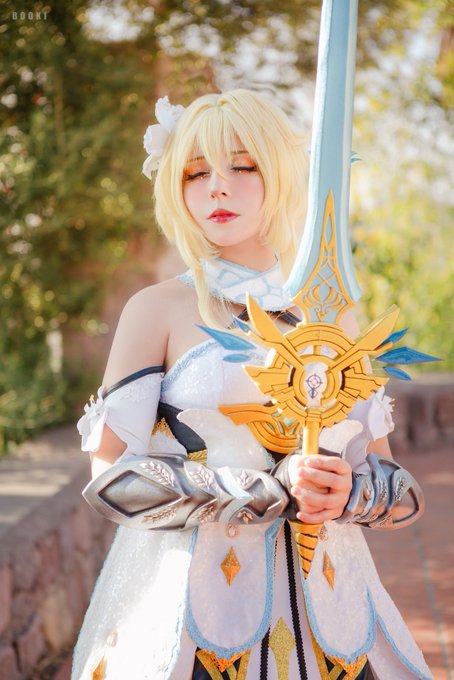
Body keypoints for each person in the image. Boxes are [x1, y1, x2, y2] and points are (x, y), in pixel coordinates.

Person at [72, 90, 431, 680]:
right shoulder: (156, 310)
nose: (217, 188)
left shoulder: (332, 316)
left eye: (242, 167)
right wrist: (254, 490)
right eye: (196, 173)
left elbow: (396, 488)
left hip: (330, 606)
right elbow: (110, 476)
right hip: (188, 609)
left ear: (281, 176)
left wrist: (346, 494)